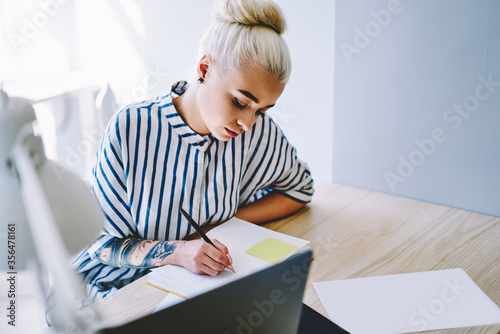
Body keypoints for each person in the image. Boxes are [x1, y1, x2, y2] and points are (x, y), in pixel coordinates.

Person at [72, 0, 314, 302]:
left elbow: (300, 189)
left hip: (197, 290)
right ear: (205, 68)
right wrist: (179, 251)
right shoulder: (131, 127)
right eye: (240, 101)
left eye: (262, 110)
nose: (248, 123)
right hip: (112, 290)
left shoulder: (255, 131)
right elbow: (100, 245)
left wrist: (230, 223)